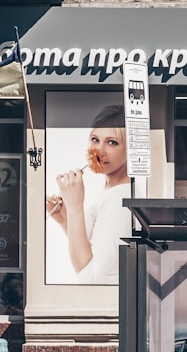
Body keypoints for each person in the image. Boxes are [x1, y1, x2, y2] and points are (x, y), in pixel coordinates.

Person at [46, 104, 132, 285]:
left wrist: (75, 206)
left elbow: (93, 278)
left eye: (112, 142)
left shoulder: (119, 198)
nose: (99, 152)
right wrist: (66, 221)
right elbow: (92, 251)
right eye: (95, 139)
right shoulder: (111, 191)